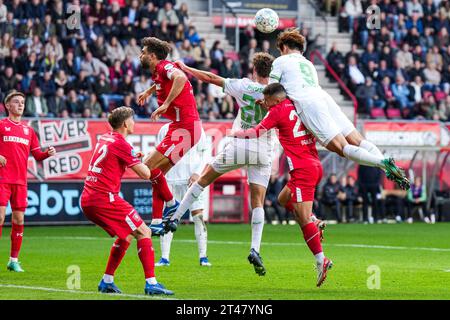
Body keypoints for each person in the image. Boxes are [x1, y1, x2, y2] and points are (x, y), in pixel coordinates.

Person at [165, 52, 277, 276]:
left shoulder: (243, 85)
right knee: (258, 202)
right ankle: (255, 248)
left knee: (204, 178)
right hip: (264, 149)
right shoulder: (278, 91)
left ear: (254, 70)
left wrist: (186, 68)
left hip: (240, 142)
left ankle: (174, 218)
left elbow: (210, 78)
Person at [268, 28, 410, 190]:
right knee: (359, 140)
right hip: (324, 98)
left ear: (284, 48)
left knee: (343, 148)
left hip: (309, 104)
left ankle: (382, 162)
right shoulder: (308, 63)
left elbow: (272, 88)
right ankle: (385, 165)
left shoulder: (280, 61)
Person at [230, 83, 332, 287]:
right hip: (314, 164)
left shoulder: (276, 110)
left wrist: (236, 134)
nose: (264, 104)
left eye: (267, 101)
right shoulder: (295, 103)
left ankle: (322, 260)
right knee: (283, 198)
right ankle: (314, 221)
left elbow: (259, 130)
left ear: (275, 101)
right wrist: (268, 104)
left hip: (303, 170)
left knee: (302, 220)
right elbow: (279, 111)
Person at [80, 106, 173, 296]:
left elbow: (116, 158)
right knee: (143, 231)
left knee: (127, 235)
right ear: (125, 123)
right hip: (104, 198)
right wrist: (152, 162)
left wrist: (134, 157)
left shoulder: (106, 138)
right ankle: (151, 283)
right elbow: (146, 174)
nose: (134, 122)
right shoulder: (121, 144)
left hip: (89, 197)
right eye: (132, 119)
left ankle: (107, 281)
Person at [137, 37, 202, 236]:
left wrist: (165, 104)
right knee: (158, 176)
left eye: (143, 52)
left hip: (185, 129)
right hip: (182, 127)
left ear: (153, 56)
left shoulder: (165, 66)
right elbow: (164, 81)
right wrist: (149, 91)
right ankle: (157, 221)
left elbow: (180, 78)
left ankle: (172, 204)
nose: (141, 55)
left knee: (147, 167)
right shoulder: (160, 70)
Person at [0, 91, 56, 272]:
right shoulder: (2, 125)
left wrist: (47, 153)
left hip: (20, 181)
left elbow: (37, 155)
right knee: (0, 217)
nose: (20, 105)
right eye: (16, 102)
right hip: (2, 179)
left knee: (19, 219)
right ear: (7, 106)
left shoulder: (29, 130)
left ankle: (13, 260)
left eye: (22, 102)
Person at [155, 123, 211, 267]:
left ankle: (203, 257)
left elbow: (205, 152)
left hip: (192, 180)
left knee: (198, 216)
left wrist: (198, 173)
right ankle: (164, 258)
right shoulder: (164, 129)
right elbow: (158, 154)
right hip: (171, 179)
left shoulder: (197, 127)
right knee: (168, 217)